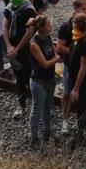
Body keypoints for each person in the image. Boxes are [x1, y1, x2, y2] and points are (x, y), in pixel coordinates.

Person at [56, 0, 86, 136]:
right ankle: (65, 120)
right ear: (75, 9)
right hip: (69, 66)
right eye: (83, 8)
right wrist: (76, 52)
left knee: (84, 95)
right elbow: (59, 48)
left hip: (84, 66)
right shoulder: (66, 26)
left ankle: (83, 123)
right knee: (66, 93)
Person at [4, 0, 36, 118]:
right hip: (12, 48)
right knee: (19, 77)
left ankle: (37, 104)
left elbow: (29, 33)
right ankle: (21, 105)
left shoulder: (29, 10)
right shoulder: (9, 7)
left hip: (26, 49)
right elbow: (4, 27)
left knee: (28, 76)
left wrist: (17, 49)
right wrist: (9, 46)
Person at [27, 15, 59, 149]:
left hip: (50, 79)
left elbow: (54, 53)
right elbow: (45, 64)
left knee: (48, 108)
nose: (51, 26)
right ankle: (33, 137)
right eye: (48, 24)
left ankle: (47, 132)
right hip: (39, 81)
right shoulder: (34, 43)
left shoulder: (48, 37)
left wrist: (56, 57)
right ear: (41, 27)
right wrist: (57, 59)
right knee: (37, 109)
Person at [67, 15, 86, 148]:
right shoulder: (77, 38)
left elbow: (83, 68)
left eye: (73, 22)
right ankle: (81, 134)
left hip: (84, 82)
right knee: (81, 108)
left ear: (78, 25)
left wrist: (76, 88)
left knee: (83, 109)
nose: (72, 25)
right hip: (77, 80)